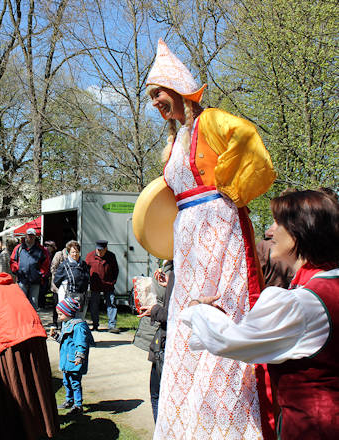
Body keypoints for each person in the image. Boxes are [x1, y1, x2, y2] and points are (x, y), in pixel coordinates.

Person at [145, 39, 277, 439]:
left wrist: (233, 191)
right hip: (188, 237)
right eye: (150, 97)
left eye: (159, 94)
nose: (155, 103)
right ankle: (188, 424)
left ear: (180, 92)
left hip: (218, 227)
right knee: (187, 327)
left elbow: (249, 141)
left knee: (222, 311)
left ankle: (228, 425)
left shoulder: (213, 121)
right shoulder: (171, 143)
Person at [180, 190, 339, 440]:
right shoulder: (327, 287)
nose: (270, 231)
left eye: (279, 223)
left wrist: (195, 310)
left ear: (301, 231)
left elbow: (231, 341)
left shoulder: (303, 304)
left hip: (313, 430)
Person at [0, 264, 58, 440]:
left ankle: (22, 430)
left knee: (14, 385)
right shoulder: (9, 284)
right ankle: (44, 427)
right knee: (35, 382)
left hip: (11, 339)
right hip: (35, 334)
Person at [133, 260, 174, 422]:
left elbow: (175, 314)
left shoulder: (180, 270)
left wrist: (154, 310)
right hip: (162, 341)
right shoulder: (174, 272)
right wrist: (169, 283)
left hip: (167, 342)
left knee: (158, 395)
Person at [50, 297, 95, 416]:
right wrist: (55, 336)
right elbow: (65, 341)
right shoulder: (66, 324)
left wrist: (79, 356)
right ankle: (69, 400)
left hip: (74, 360)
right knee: (66, 381)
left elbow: (81, 343)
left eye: (60, 314)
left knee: (75, 382)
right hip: (66, 360)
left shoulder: (78, 326)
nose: (59, 316)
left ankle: (78, 405)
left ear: (68, 312)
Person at [10, 228, 50, 309]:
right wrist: (17, 271)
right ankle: (22, 320)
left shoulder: (41, 249)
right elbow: (13, 260)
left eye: (32, 236)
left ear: (35, 236)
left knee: (34, 303)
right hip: (22, 280)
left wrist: (40, 274)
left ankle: (33, 321)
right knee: (21, 302)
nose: (30, 237)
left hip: (35, 281)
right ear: (25, 236)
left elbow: (46, 263)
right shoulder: (19, 248)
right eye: (29, 235)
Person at [53, 240, 90, 326]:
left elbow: (87, 278)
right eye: (73, 252)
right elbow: (57, 281)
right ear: (69, 252)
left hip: (81, 297)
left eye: (77, 252)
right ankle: (66, 337)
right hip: (68, 297)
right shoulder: (64, 265)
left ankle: (78, 337)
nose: (75, 254)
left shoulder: (83, 264)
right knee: (67, 319)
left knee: (79, 320)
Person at [85, 239, 119, 332]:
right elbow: (85, 270)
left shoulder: (111, 256)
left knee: (111, 304)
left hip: (108, 284)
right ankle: (95, 325)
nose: (99, 252)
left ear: (106, 249)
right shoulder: (90, 256)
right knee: (94, 305)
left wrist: (113, 282)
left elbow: (116, 270)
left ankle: (112, 326)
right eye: (98, 250)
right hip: (95, 285)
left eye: (101, 250)